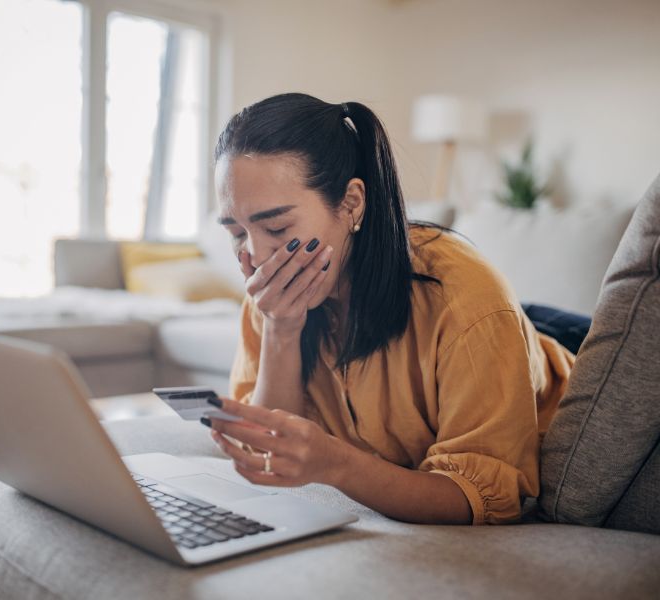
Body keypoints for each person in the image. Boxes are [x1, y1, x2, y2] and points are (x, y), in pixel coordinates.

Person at [199, 92, 574, 525]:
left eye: (277, 227)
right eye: (236, 232)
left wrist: (338, 464)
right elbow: (265, 448)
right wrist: (281, 330)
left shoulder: (466, 299)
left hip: (544, 354)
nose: (256, 255)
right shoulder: (270, 289)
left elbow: (483, 499)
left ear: (352, 203)